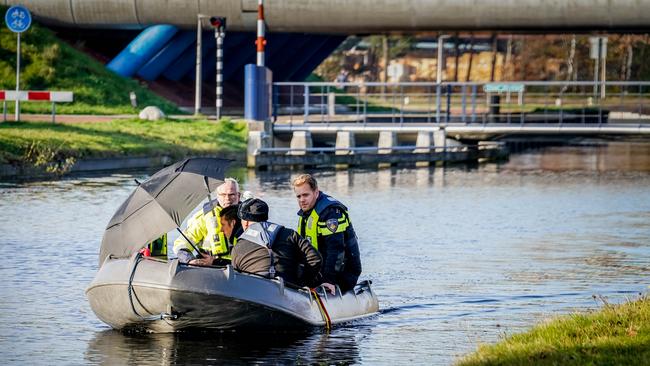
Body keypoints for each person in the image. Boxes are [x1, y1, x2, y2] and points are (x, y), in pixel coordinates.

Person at [292, 174, 361, 294]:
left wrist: (329, 280)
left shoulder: (331, 213)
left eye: (305, 195)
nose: (302, 200)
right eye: (298, 196)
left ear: (316, 193)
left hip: (342, 271)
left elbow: (336, 251)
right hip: (319, 268)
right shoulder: (306, 213)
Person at [231, 198, 322, 288]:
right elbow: (315, 258)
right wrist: (303, 283)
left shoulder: (238, 247)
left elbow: (236, 278)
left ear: (245, 223)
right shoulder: (290, 234)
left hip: (255, 291)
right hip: (288, 290)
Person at [173, 178, 242, 264]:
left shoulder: (248, 217)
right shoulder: (204, 217)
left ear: (239, 196)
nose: (227, 198)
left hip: (241, 269)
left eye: (232, 194)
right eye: (223, 195)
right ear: (217, 196)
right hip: (211, 269)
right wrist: (190, 260)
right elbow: (181, 243)